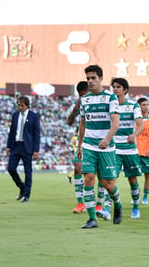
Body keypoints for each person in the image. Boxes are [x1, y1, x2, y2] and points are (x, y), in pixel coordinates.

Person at [77, 64, 123, 229]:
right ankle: (91, 219)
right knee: (88, 178)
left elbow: (116, 123)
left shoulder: (110, 98)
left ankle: (117, 203)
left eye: (93, 78)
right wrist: (80, 145)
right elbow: (83, 123)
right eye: (87, 78)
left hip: (106, 148)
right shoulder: (85, 99)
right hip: (89, 146)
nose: (89, 81)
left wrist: (107, 139)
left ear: (101, 79)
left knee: (107, 184)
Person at [111, 77, 144, 218]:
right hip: (114, 149)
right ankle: (108, 207)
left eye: (118, 87)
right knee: (110, 179)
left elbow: (140, 125)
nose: (115, 89)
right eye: (113, 87)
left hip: (130, 149)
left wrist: (134, 135)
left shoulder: (133, 106)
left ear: (125, 90)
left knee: (132, 180)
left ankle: (136, 207)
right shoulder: (110, 105)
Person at [7, 96, 41, 203]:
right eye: (18, 105)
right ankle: (22, 187)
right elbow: (12, 131)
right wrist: (8, 146)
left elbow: (37, 134)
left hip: (27, 147)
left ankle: (27, 195)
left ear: (27, 105)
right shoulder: (15, 115)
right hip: (15, 146)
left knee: (28, 172)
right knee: (11, 169)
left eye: (22, 105)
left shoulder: (34, 116)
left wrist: (36, 150)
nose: (20, 107)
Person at [66, 81, 89, 214]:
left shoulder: (100, 100)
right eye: (80, 95)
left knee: (99, 174)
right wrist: (77, 105)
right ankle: (80, 203)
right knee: (77, 167)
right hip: (83, 139)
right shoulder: (81, 102)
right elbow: (69, 122)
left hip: (98, 139)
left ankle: (100, 204)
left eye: (83, 94)